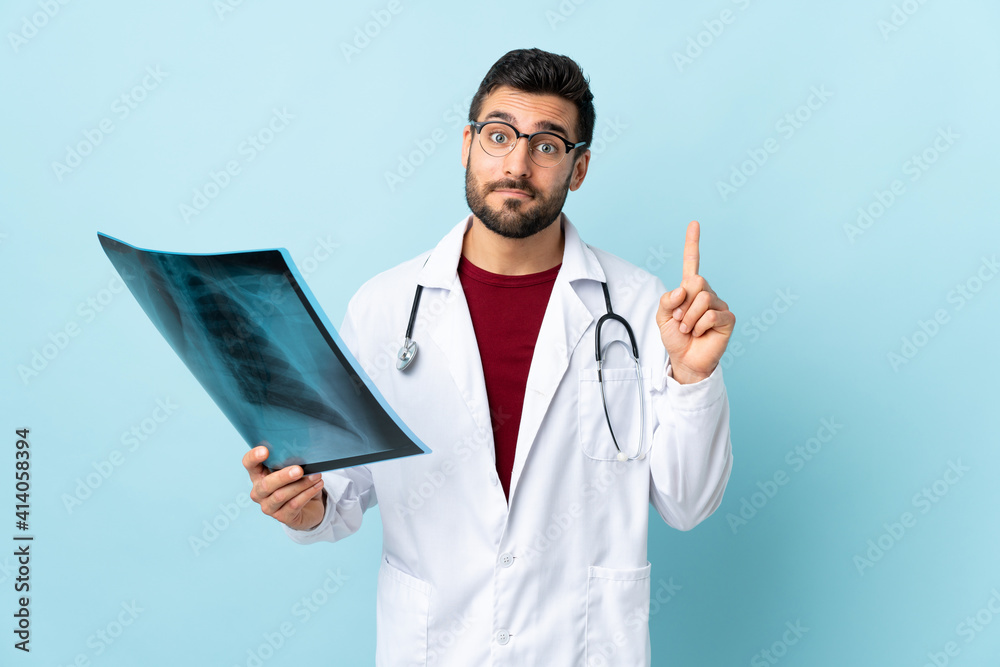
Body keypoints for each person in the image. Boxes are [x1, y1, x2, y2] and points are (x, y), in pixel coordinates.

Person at [242, 47, 735, 666]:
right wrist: (303, 504)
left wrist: (693, 377)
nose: (517, 165)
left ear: (579, 168)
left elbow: (688, 504)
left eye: (548, 145)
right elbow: (340, 495)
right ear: (467, 144)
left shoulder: (639, 308)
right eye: (499, 136)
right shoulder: (385, 307)